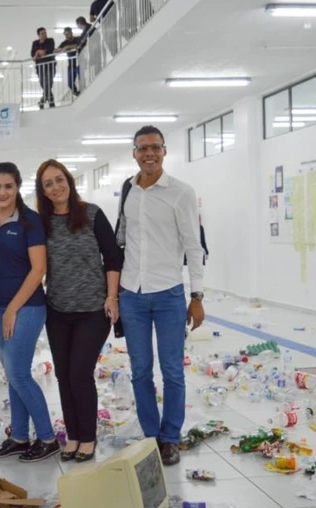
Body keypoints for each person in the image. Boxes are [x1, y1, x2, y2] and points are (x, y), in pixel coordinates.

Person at [114, 125, 206, 466]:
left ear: (164, 151)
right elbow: (122, 241)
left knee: (172, 371)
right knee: (140, 370)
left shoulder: (181, 192)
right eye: (142, 149)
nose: (148, 154)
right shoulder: (129, 190)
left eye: (155, 148)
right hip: (132, 294)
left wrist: (196, 295)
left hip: (168, 293)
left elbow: (194, 248)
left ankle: (171, 438)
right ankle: (151, 435)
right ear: (134, 153)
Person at [35, 160, 122, 463]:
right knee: (62, 376)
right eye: (48, 183)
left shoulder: (92, 214)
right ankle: (72, 436)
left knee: (79, 374)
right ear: (42, 191)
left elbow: (112, 257)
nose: (56, 187)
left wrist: (112, 297)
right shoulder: (42, 223)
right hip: (57, 310)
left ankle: (88, 437)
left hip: (92, 310)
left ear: (69, 181)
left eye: (59, 180)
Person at [0, 162, 59, 462]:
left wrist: (12, 309)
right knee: (12, 374)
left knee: (18, 373)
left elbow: (38, 269)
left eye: (8, 186)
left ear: (18, 188)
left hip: (26, 307)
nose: (3, 192)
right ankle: (19, 437)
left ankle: (48, 438)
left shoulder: (30, 221)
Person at [30, 27, 57, 109]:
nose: (44, 34)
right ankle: (50, 100)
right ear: (38, 35)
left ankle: (43, 100)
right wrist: (38, 53)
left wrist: (38, 52)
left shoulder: (50, 40)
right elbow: (32, 55)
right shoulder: (35, 43)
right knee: (43, 84)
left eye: (45, 33)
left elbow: (49, 50)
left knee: (48, 82)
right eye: (42, 33)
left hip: (50, 65)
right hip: (40, 67)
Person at [54, 27, 81, 97]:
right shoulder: (64, 43)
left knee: (82, 77)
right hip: (71, 65)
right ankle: (77, 93)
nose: (66, 35)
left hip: (79, 63)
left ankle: (84, 90)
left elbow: (78, 46)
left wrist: (67, 47)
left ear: (71, 33)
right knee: (70, 83)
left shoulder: (77, 39)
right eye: (65, 34)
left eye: (68, 34)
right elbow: (56, 50)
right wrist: (62, 48)